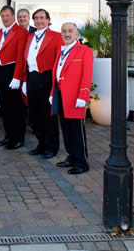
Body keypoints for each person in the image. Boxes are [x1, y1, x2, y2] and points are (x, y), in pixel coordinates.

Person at [20, 9, 63, 159]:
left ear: (48, 19)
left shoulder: (57, 36)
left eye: (42, 18)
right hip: (32, 78)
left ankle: (51, 147)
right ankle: (41, 144)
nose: (38, 21)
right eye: (36, 18)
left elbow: (59, 62)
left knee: (48, 116)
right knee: (34, 115)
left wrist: (55, 85)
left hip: (47, 78)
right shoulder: (30, 37)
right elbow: (26, 60)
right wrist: (25, 80)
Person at [51, 22, 93, 175]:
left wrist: (83, 95)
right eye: (64, 31)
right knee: (66, 129)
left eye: (70, 31)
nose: (67, 34)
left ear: (76, 34)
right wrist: (52, 94)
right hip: (61, 95)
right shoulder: (61, 51)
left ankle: (82, 162)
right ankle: (71, 157)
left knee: (76, 131)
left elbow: (87, 75)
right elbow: (56, 74)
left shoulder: (84, 51)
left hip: (75, 98)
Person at [0, 5, 28, 150]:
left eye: (7, 15)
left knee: (16, 108)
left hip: (13, 71)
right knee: (5, 107)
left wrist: (17, 77)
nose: (5, 18)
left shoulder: (21, 32)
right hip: (1, 71)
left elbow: (21, 56)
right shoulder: (0, 32)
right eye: (3, 16)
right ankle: (8, 136)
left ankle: (18, 138)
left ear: (13, 17)